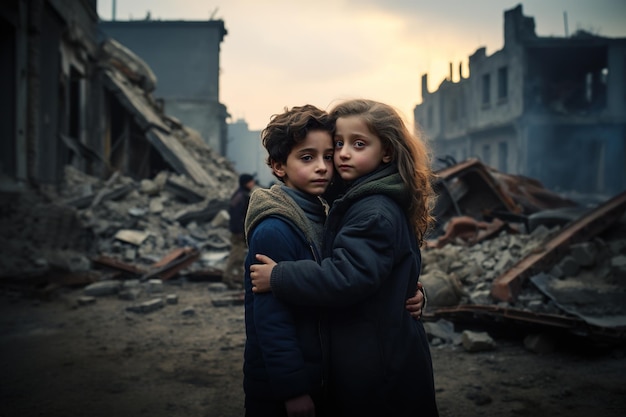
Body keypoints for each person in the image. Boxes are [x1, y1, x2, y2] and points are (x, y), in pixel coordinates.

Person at [250, 98, 439, 416]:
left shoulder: (372, 209)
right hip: (369, 359)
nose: (342, 155)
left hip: (378, 366)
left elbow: (347, 275)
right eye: (339, 144)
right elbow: (272, 321)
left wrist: (280, 276)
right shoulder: (340, 206)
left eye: (359, 144)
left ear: (387, 152)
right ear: (278, 166)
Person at [243, 104, 334, 416]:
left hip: (317, 375)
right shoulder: (274, 228)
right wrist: (293, 391)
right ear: (279, 166)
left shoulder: (321, 215)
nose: (322, 167)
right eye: (307, 157)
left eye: (328, 157)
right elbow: (271, 321)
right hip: (281, 389)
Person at [223, 173, 256, 290]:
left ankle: (240, 279)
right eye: (251, 181)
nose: (253, 183)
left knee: (240, 256)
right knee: (236, 256)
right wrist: (239, 231)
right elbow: (237, 216)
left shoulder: (239, 194)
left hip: (238, 231)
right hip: (238, 232)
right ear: (246, 183)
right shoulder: (241, 196)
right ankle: (228, 278)